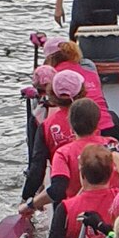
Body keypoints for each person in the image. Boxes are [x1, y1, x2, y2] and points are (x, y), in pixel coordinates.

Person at [21, 67, 88, 202]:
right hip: (95, 185)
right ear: (82, 92)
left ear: (52, 94)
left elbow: (37, 168)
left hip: (63, 193)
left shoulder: (45, 125)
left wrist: (26, 198)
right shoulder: (98, 116)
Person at [43, 37, 115, 135]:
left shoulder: (55, 76)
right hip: (108, 124)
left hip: (83, 130)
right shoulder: (89, 68)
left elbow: (54, 103)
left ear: (49, 58)